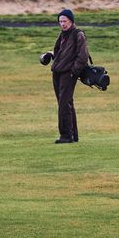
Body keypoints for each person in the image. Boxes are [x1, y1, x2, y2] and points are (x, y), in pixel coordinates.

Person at [40, 9, 89, 144]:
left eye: (65, 21)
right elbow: (59, 54)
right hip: (58, 73)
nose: (62, 24)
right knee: (67, 104)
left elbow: (83, 56)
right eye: (60, 21)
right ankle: (74, 135)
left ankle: (66, 136)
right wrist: (50, 55)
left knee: (63, 104)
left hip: (68, 74)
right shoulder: (62, 35)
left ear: (71, 21)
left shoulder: (78, 35)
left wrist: (74, 71)